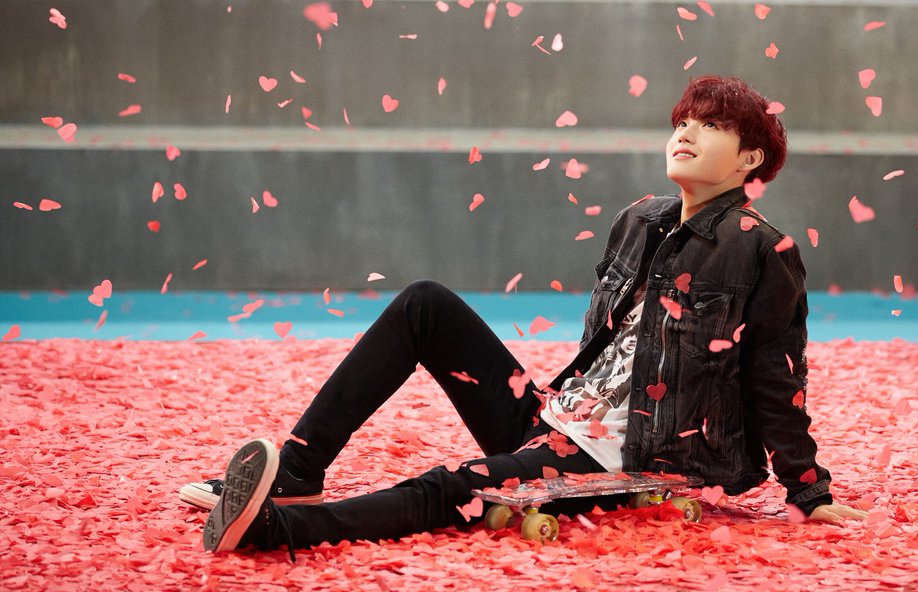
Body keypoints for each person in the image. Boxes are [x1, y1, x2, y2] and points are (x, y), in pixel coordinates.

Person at [195, 75, 866, 557]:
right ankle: (298, 471)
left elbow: (775, 377)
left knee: (454, 486)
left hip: (633, 459)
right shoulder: (641, 220)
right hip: (558, 421)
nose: (685, 133)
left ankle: (276, 532)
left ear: (751, 159)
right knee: (425, 303)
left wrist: (808, 490)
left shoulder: (761, 250)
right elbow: (606, 350)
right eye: (681, 122)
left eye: (710, 125)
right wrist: (553, 420)